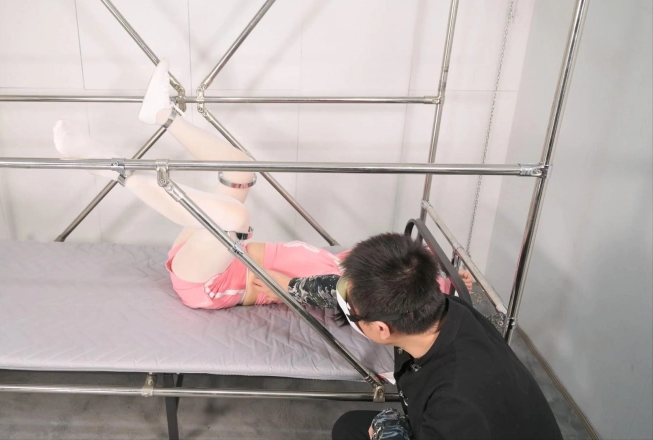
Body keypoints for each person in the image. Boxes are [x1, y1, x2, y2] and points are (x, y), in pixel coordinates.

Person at [53, 60, 473, 310]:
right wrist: (444, 272)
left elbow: (274, 287)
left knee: (235, 216)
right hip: (216, 255)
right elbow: (405, 266)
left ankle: (113, 170)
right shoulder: (352, 264)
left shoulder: (347, 294)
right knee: (242, 169)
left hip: (211, 283)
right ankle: (163, 116)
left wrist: (447, 290)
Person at [329, 233, 563, 440]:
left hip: (463, 425)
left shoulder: (455, 402)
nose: (347, 310)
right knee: (349, 427)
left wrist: (387, 425)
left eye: (351, 310)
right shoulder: (440, 307)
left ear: (382, 329)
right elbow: (338, 289)